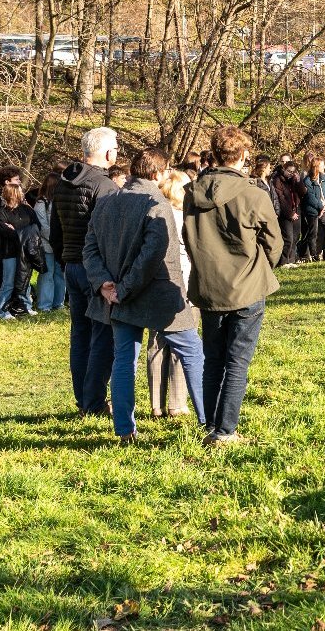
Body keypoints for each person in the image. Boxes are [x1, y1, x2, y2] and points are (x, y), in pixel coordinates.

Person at [83, 149, 206, 445]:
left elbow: (89, 250)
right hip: (158, 296)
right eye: (165, 173)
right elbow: (153, 255)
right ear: (158, 174)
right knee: (193, 354)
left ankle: (125, 430)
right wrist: (115, 288)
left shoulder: (106, 202)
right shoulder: (156, 202)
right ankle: (210, 420)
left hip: (119, 296)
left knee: (124, 361)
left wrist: (105, 285)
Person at [183, 125, 282, 447]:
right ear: (241, 156)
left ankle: (212, 422)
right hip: (247, 287)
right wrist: (261, 266)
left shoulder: (191, 193)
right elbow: (275, 243)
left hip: (209, 285)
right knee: (236, 361)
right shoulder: (253, 193)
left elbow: (188, 237)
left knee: (214, 358)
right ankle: (224, 431)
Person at [53, 127, 121, 417]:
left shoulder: (63, 182)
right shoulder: (104, 187)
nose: (117, 153)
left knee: (80, 334)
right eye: (116, 148)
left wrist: (63, 259)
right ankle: (93, 402)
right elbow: (108, 235)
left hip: (71, 264)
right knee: (101, 336)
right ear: (107, 153)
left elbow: (56, 229)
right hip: (95, 270)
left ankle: (83, 398)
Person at [150, 168, 200, 419]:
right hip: (183, 286)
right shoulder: (185, 219)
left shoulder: (153, 214)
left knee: (157, 345)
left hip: (155, 286)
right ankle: (177, 403)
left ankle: (156, 404)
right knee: (184, 344)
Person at [0, 167, 39, 319]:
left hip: (25, 251)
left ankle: (26, 306)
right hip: (8, 252)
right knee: (8, 282)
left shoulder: (27, 210)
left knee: (24, 281)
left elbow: (36, 226)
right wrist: (20, 231)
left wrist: (15, 230)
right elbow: (3, 231)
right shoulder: (2, 212)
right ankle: (2, 310)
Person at [32, 172, 66, 312]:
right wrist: (55, 240)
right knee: (47, 275)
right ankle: (44, 305)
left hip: (60, 246)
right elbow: (43, 227)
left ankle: (58, 303)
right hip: (47, 246)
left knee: (60, 275)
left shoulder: (60, 202)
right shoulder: (41, 204)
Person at [270, 161, 306, 267]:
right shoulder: (278, 180)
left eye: (292, 172)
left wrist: (299, 181)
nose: (290, 174)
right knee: (288, 238)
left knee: (295, 236)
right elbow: (281, 199)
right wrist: (290, 213)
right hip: (286, 213)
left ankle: (291, 259)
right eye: (289, 171)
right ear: (284, 169)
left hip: (296, 210)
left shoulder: (293, 180)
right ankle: (283, 261)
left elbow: (303, 192)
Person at [299, 156, 325, 262]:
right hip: (313, 210)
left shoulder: (324, 177)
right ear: (316, 167)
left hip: (324, 209)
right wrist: (320, 207)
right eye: (322, 166)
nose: (324, 168)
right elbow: (310, 196)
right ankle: (313, 255)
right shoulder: (307, 180)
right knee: (313, 232)